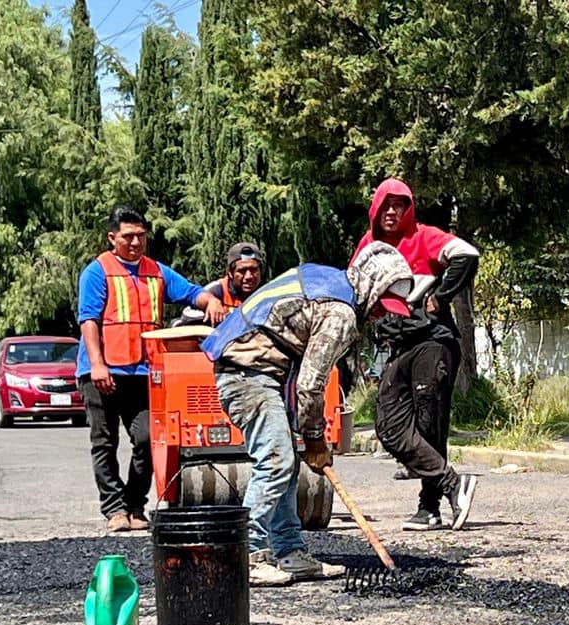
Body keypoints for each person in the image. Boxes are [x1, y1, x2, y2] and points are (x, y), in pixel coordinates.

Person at [203, 242, 416, 586]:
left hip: (255, 369)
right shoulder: (341, 313)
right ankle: (245, 554)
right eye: (381, 303)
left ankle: (289, 552)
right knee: (276, 461)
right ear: (371, 286)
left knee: (284, 464)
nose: (383, 314)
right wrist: (315, 438)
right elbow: (311, 384)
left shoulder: (331, 281)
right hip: (247, 373)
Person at [355, 177, 481, 531]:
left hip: (433, 340)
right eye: (386, 205)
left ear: (409, 209)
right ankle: (454, 484)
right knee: (389, 426)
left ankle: (430, 506)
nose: (392, 212)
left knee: (429, 420)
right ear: (375, 210)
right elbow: (354, 285)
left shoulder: (424, 237)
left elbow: (466, 254)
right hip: (397, 346)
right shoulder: (370, 247)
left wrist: (440, 296)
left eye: (400, 205)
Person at [77, 207, 199, 532]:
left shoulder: (156, 272)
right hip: (102, 372)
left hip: (144, 373)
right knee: (105, 442)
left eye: (140, 236)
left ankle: (135, 505)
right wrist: (98, 364)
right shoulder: (96, 271)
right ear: (112, 238)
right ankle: (114, 509)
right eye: (128, 236)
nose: (135, 242)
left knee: (147, 438)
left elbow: (190, 292)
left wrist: (210, 301)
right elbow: (89, 319)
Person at [189, 242, 266, 325]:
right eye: (242, 271)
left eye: (254, 270)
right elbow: (186, 316)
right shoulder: (216, 291)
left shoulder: (266, 294)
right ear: (230, 273)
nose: (249, 276)